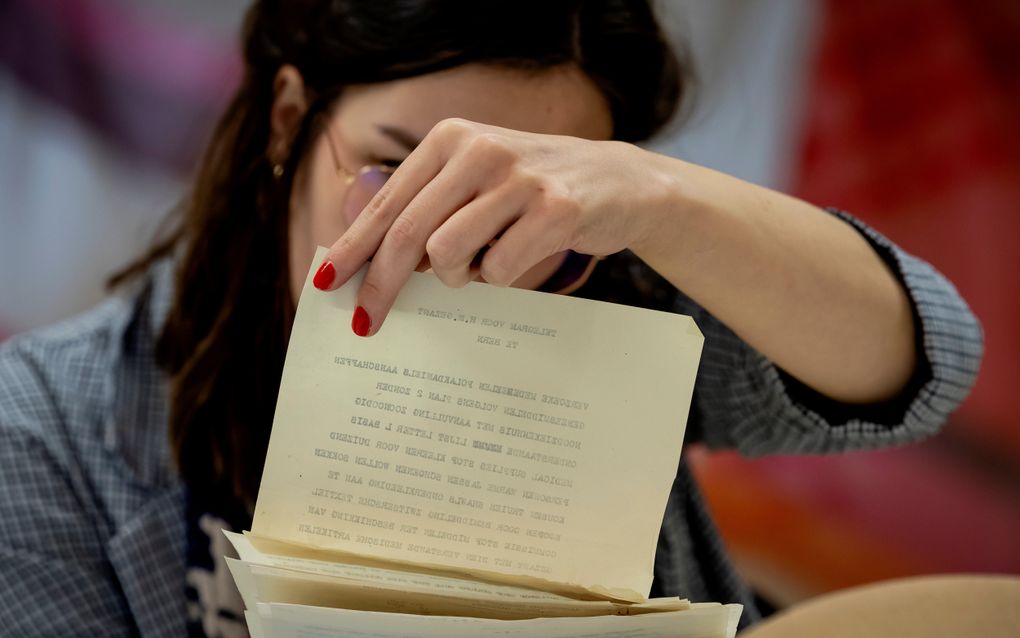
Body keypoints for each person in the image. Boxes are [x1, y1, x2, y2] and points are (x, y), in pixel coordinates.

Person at [0, 1, 982, 636]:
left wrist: (659, 199)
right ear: (289, 122)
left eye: (520, 205)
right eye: (395, 172)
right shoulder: (48, 425)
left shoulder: (603, 292)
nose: (453, 254)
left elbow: (923, 366)